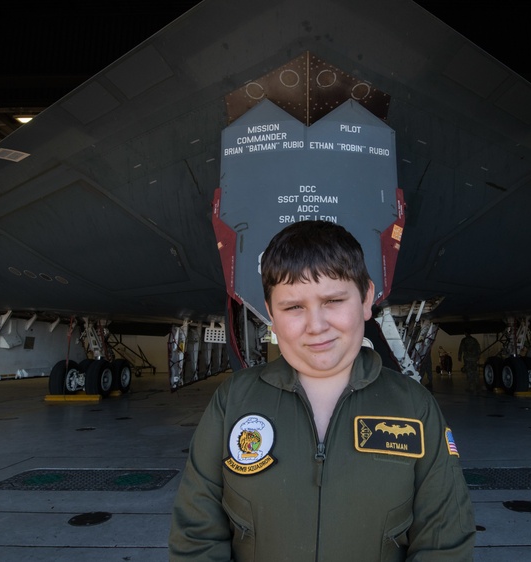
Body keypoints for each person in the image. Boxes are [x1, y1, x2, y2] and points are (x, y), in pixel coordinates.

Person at [169, 220, 475, 561]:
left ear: (366, 298)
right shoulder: (233, 402)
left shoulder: (414, 408)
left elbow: (444, 543)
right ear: (270, 312)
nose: (316, 326)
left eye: (333, 300)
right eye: (293, 307)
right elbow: (196, 536)